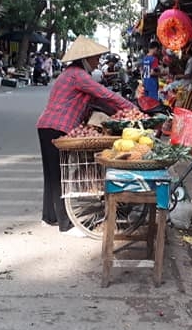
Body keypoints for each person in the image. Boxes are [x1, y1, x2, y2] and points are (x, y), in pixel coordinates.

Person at [36, 36, 136, 233]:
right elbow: (105, 95)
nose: (97, 61)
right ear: (86, 58)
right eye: (95, 58)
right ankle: (65, 224)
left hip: (46, 125)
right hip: (57, 126)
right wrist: (133, 108)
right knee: (57, 175)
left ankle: (50, 217)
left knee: (51, 174)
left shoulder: (71, 74)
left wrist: (121, 113)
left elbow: (98, 103)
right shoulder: (78, 75)